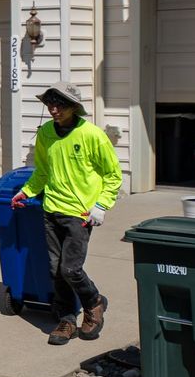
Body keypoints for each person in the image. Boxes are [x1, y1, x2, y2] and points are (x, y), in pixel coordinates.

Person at [11, 81, 121, 346]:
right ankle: (67, 318)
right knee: (55, 270)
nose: (53, 109)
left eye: (59, 104)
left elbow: (112, 175)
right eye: (50, 103)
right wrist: (26, 192)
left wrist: (101, 206)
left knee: (71, 268)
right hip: (51, 209)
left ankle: (94, 302)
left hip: (80, 213)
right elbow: (43, 171)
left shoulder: (92, 135)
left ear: (74, 107)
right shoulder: (47, 132)